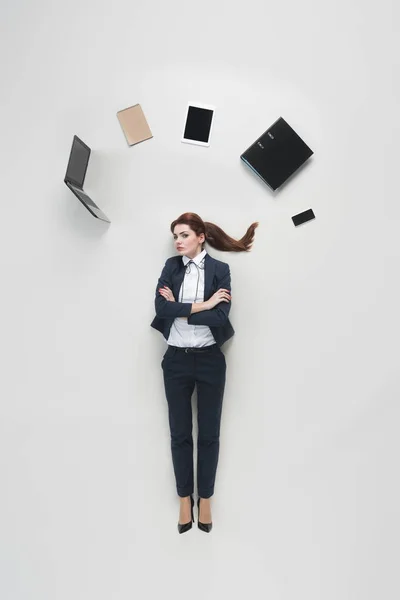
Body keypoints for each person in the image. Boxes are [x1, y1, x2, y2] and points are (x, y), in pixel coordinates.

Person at [151, 212, 258, 533]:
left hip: (211, 360)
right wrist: (203, 304)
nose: (178, 241)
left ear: (200, 237)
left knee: (209, 435)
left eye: (183, 235)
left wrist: (184, 308)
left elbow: (221, 317)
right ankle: (185, 498)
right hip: (176, 361)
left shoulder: (220, 269)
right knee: (180, 434)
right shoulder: (171, 267)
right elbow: (161, 309)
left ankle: (205, 499)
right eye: (175, 236)